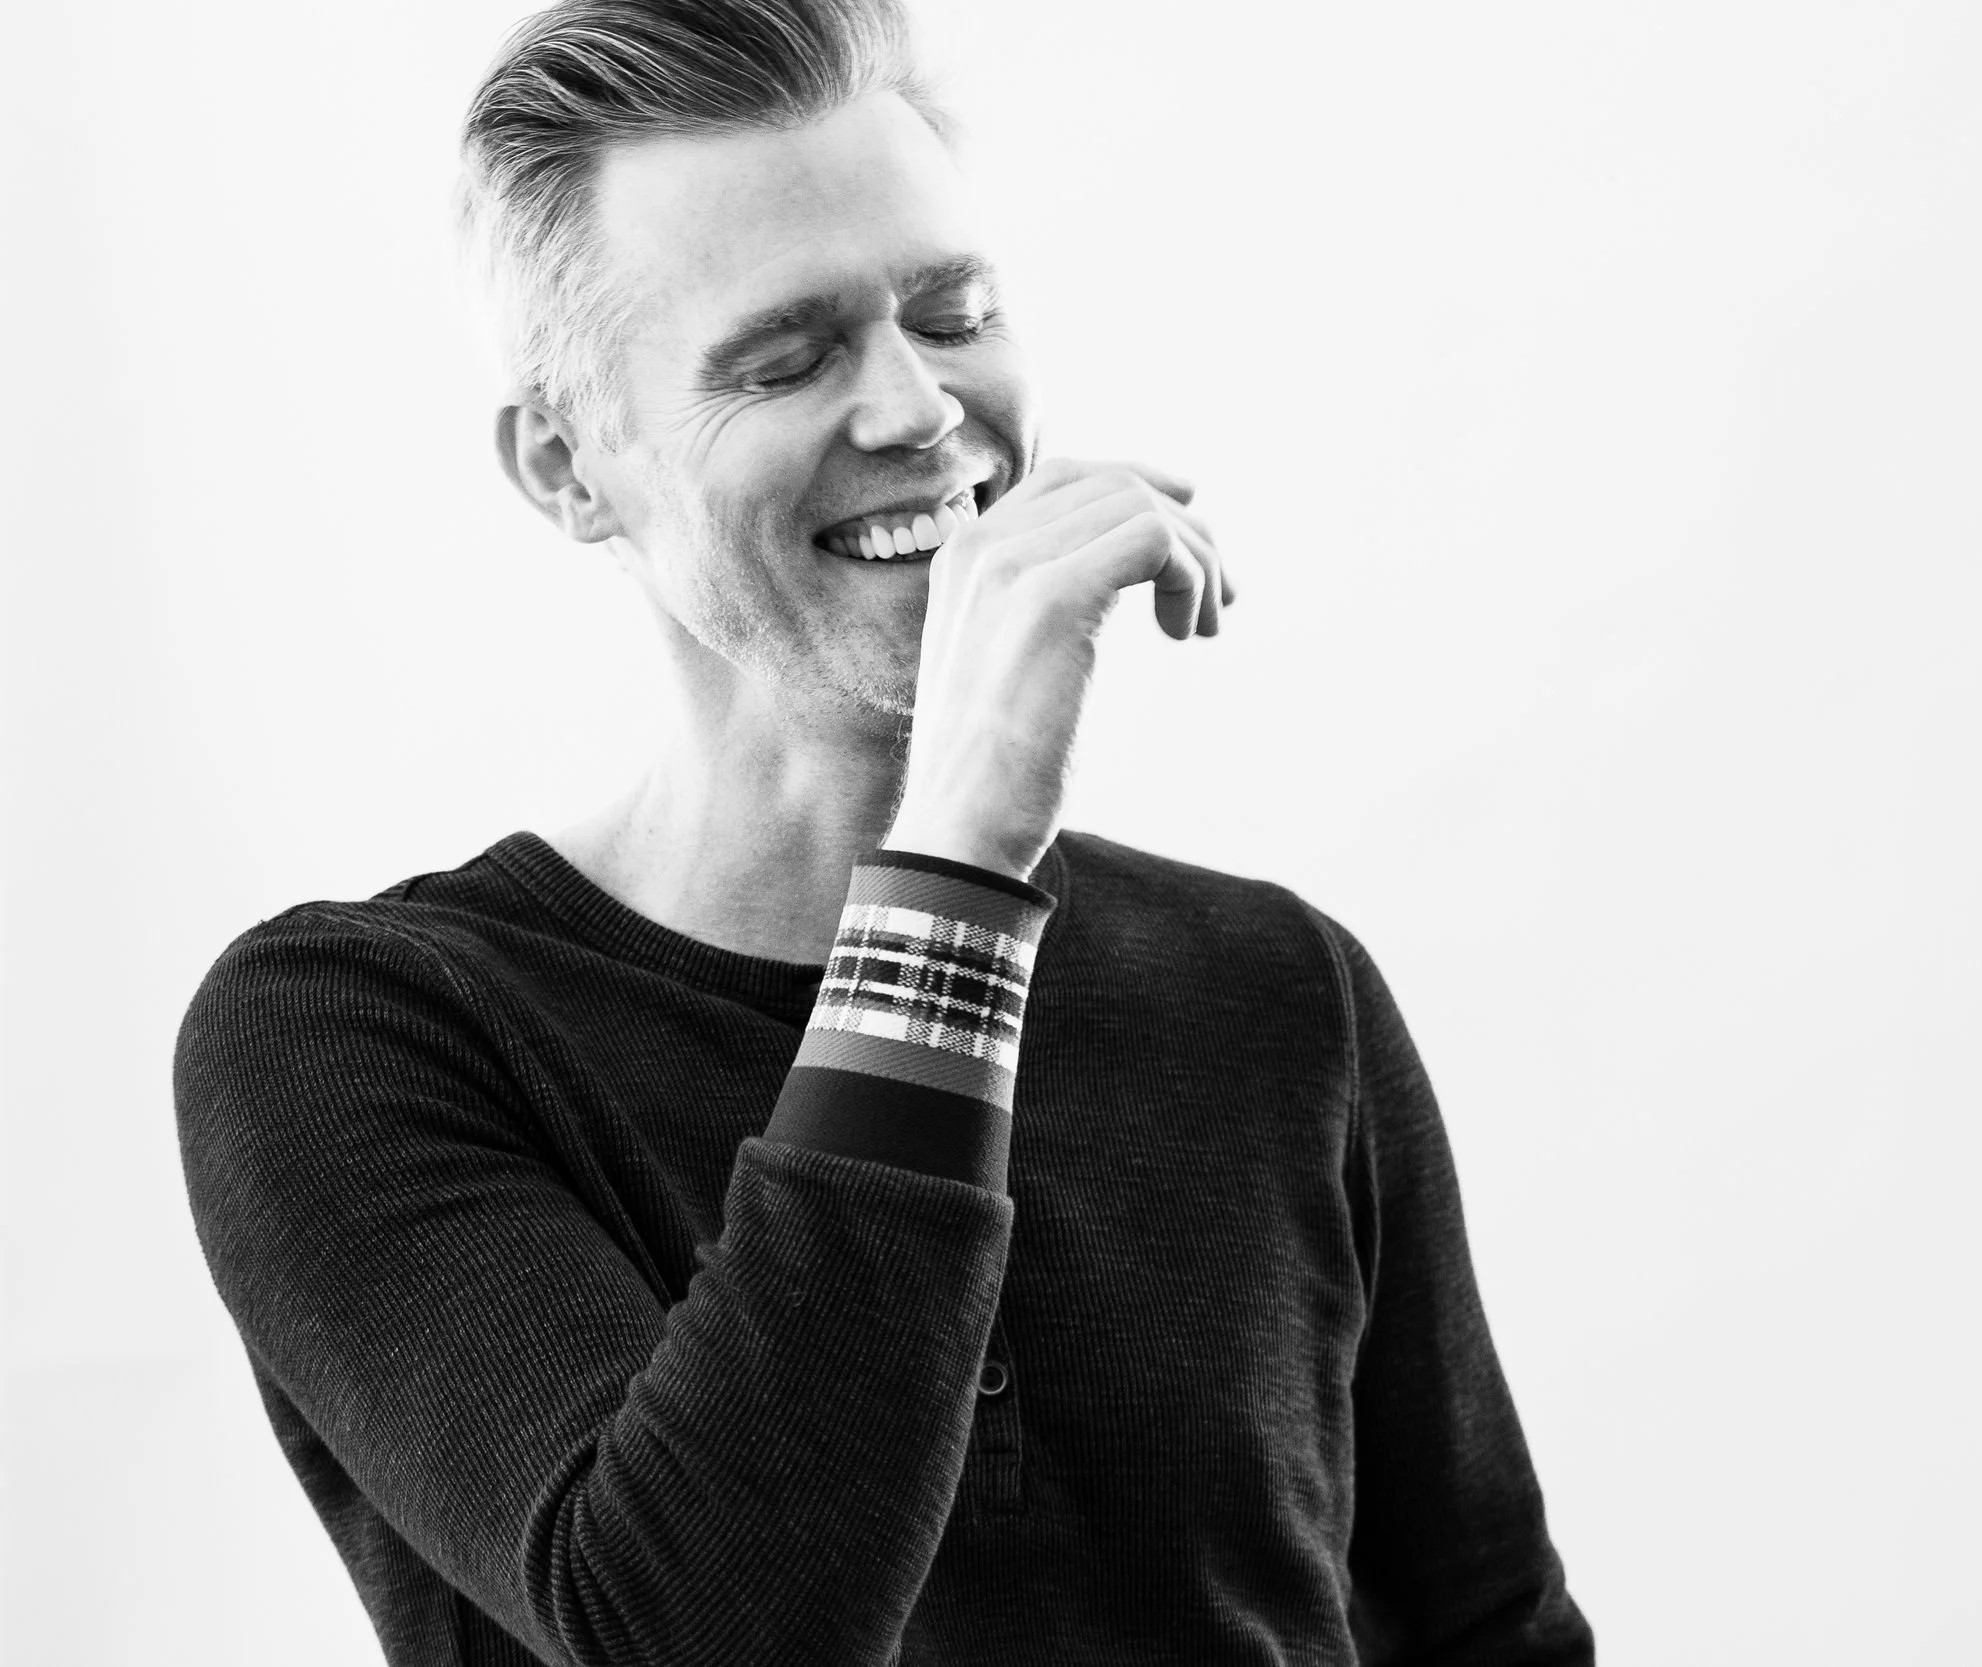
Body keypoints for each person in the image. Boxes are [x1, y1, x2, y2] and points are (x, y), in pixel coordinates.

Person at [172, 2, 1593, 1662]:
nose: (919, 408)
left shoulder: (1274, 987)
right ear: (567, 465)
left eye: (953, 314)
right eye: (785, 360)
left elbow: (1496, 1634)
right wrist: (959, 866)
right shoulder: (358, 1032)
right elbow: (698, 1633)